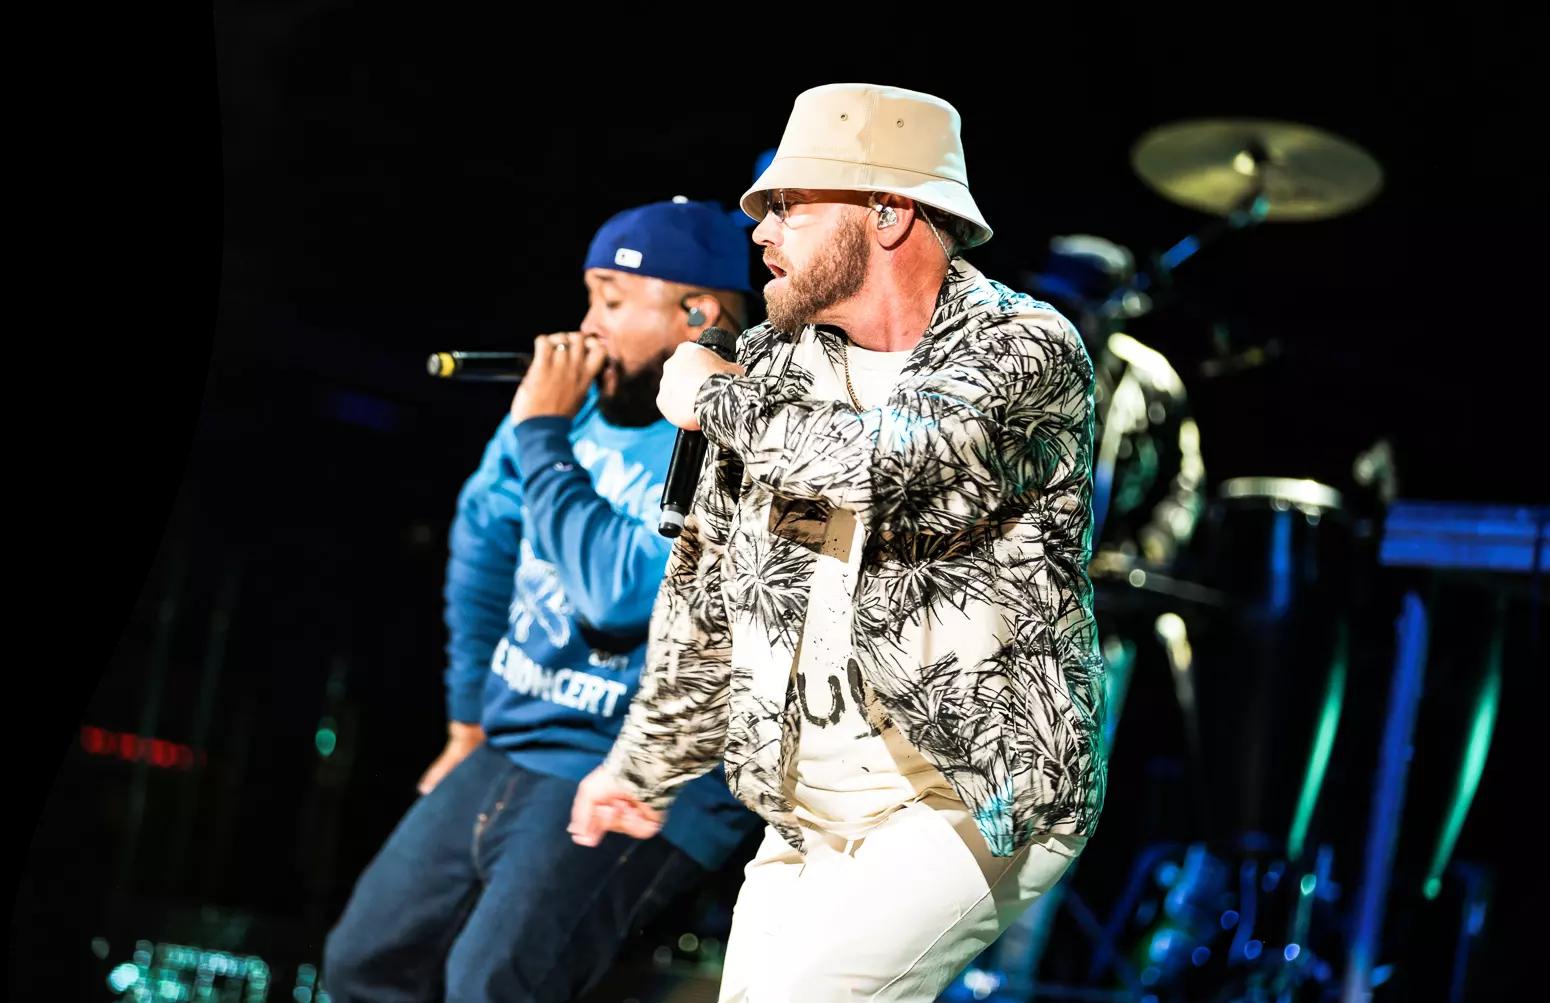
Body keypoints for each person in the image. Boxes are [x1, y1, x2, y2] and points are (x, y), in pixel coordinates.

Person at [571, 84, 1106, 1000]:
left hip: (962, 800)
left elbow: (889, 465)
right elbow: (707, 585)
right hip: (802, 810)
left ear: (890, 212)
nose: (760, 232)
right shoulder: (782, 363)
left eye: (788, 206)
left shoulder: (1026, 347)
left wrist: (711, 398)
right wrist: (644, 763)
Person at [324, 198, 762, 1002]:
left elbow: (624, 595)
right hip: (517, 736)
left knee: (491, 985)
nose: (587, 326)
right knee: (365, 958)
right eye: (590, 296)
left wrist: (539, 438)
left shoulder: (723, 429)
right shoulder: (568, 415)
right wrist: (467, 720)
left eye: (614, 301)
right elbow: (481, 544)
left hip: (635, 765)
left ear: (696, 312)